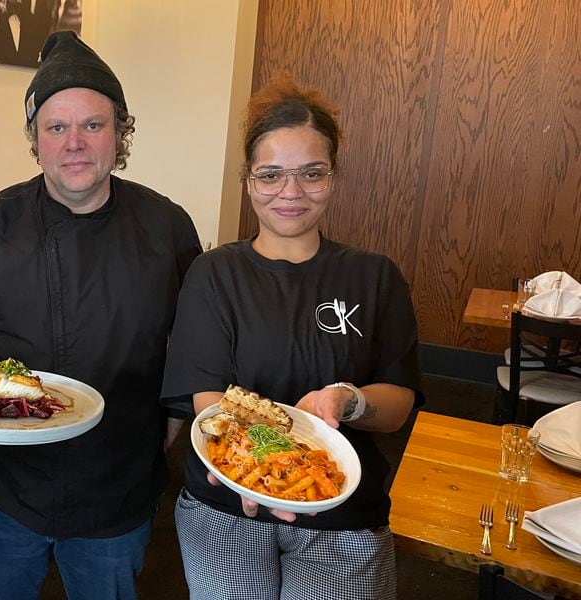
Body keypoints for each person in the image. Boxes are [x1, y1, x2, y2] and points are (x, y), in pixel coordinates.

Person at [0, 31, 201, 600]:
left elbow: (189, 354)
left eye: (93, 125)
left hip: (117, 483)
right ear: (35, 138)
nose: (74, 143)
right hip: (7, 482)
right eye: (56, 127)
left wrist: (156, 443)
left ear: (121, 132)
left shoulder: (168, 227)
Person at [161, 74, 423, 600]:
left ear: (334, 177)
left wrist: (348, 401)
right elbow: (209, 400)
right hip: (228, 497)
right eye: (271, 174)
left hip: (342, 502)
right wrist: (264, 470)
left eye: (311, 173)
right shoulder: (214, 274)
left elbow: (396, 406)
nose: (291, 192)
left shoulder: (374, 276)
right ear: (248, 180)